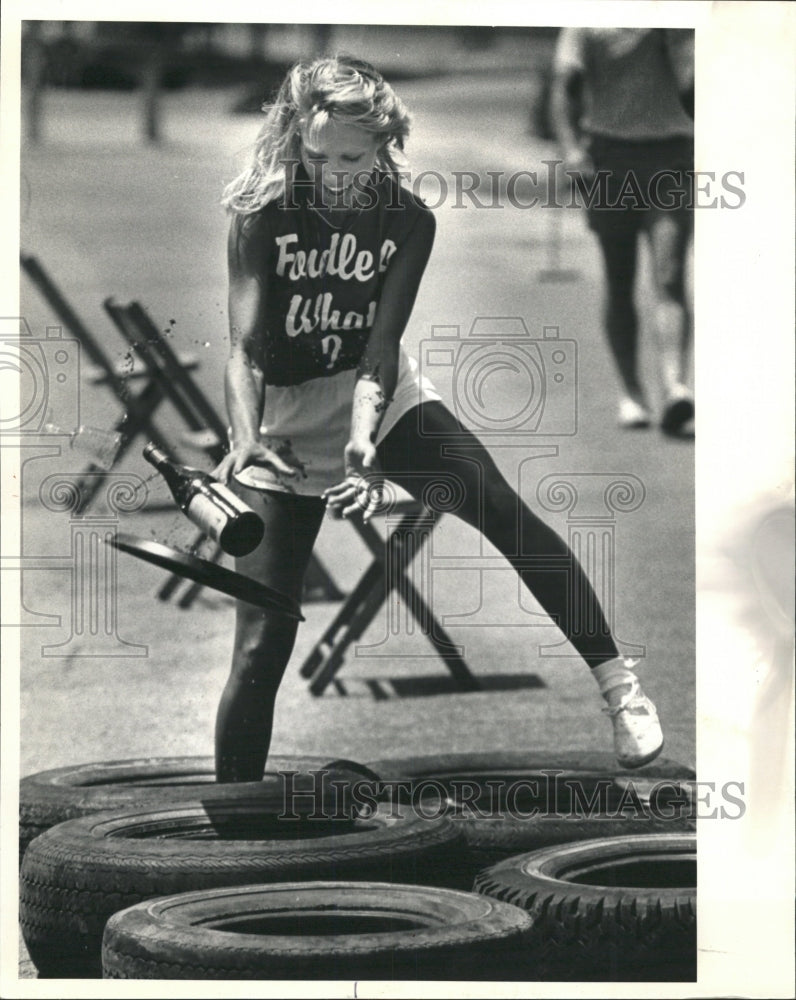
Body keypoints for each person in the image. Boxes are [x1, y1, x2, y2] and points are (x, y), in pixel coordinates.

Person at [212, 54, 664, 783]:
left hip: (382, 402)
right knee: (261, 639)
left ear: (384, 144)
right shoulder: (262, 213)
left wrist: (363, 444)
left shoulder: (407, 220)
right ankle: (226, 837)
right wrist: (246, 441)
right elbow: (244, 352)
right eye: (318, 154)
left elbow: (381, 349)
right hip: (282, 425)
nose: (334, 172)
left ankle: (620, 688)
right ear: (296, 139)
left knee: (503, 509)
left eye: (352, 157)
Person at [550, 27, 695, 433]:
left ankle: (675, 387)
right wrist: (571, 151)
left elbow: (693, 83)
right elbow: (565, 88)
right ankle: (632, 394)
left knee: (670, 273)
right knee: (620, 277)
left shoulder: (674, 15)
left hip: (672, 154)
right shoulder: (586, 21)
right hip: (609, 156)